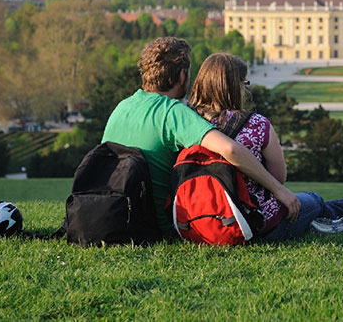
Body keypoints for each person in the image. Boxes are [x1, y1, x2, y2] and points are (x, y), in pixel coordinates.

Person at [101, 37, 300, 234]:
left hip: (118, 215)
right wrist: (278, 189)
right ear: (181, 76)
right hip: (160, 224)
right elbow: (230, 149)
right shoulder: (173, 112)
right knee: (312, 202)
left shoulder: (123, 107)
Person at [187, 53, 343, 240]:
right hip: (256, 224)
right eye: (244, 84)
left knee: (305, 202)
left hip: (199, 222)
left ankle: (328, 219)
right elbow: (279, 177)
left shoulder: (185, 122)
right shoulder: (256, 124)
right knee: (312, 199)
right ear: (236, 87)